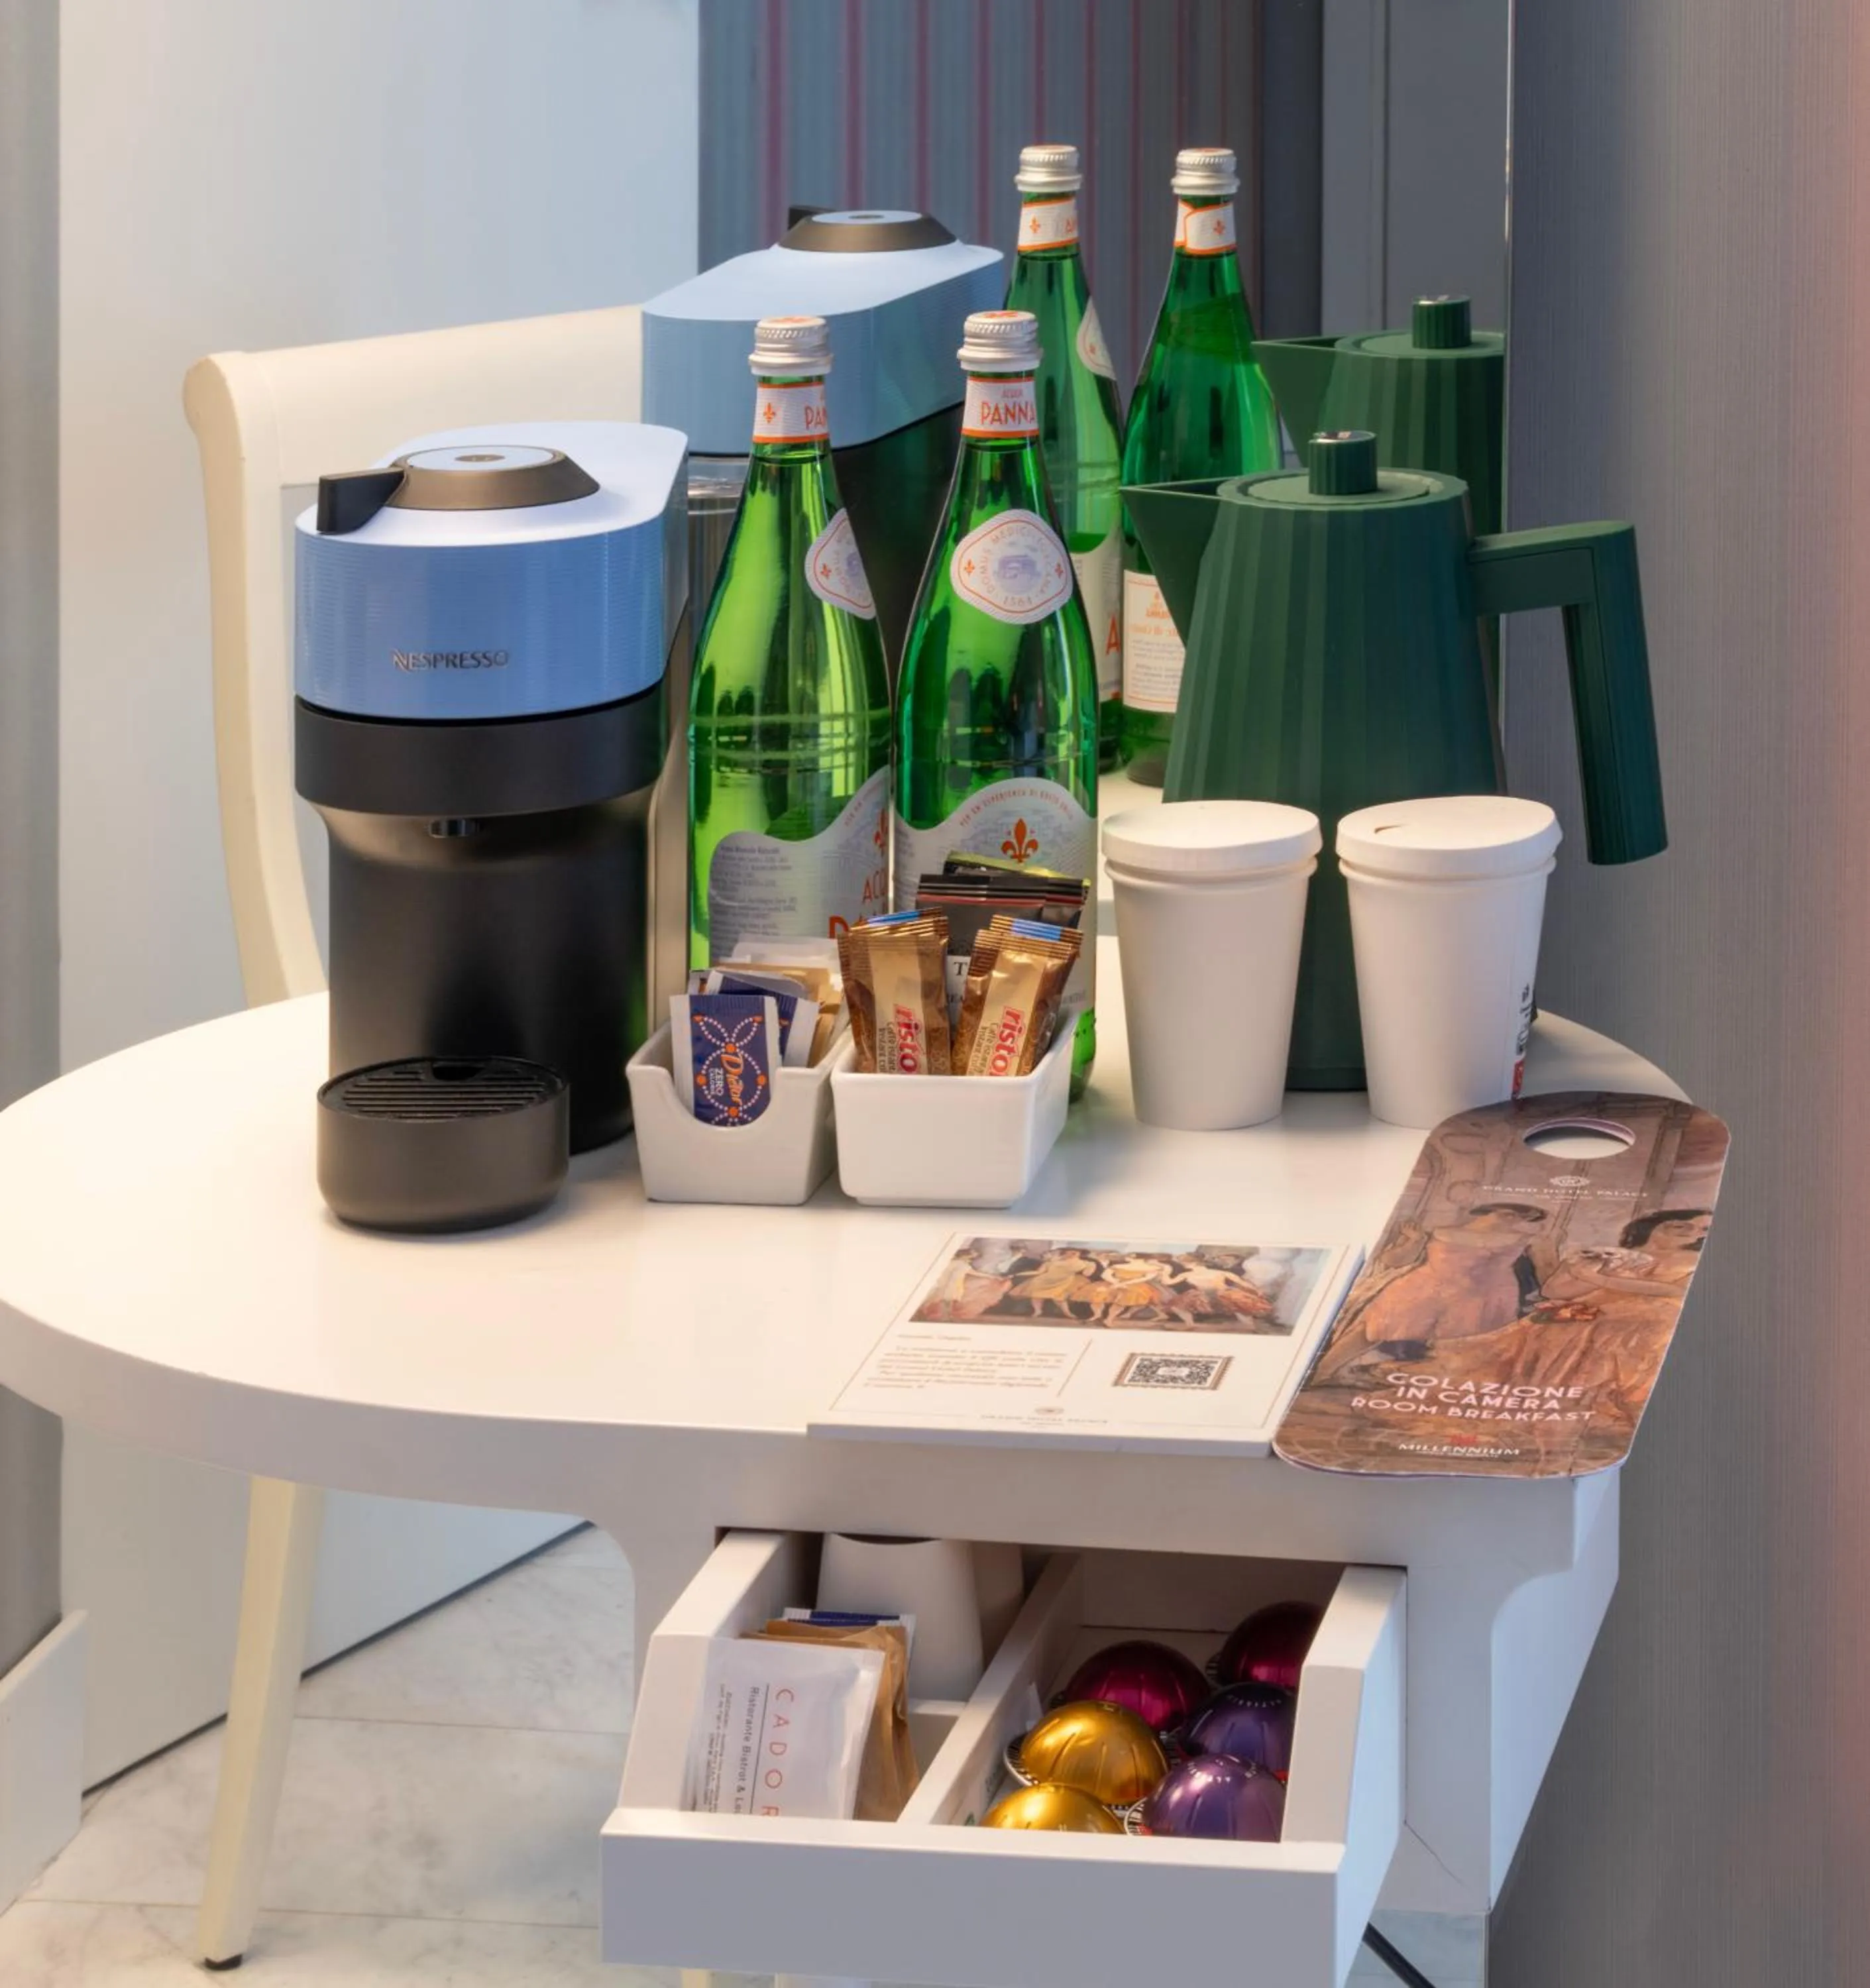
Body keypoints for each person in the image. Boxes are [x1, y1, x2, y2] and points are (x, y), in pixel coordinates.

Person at [1315, 1202, 1550, 1380]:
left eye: (1524, 1216)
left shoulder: (1531, 1240)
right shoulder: (1440, 1230)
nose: (1517, 1219)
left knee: (1468, 1350)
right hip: (1425, 1287)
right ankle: (1321, 1375)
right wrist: (1413, 1241)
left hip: (1484, 1296)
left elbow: (1548, 1273)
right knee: (1373, 1328)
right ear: (1494, 1211)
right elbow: (1393, 1261)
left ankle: (1415, 1384)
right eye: (1513, 1213)